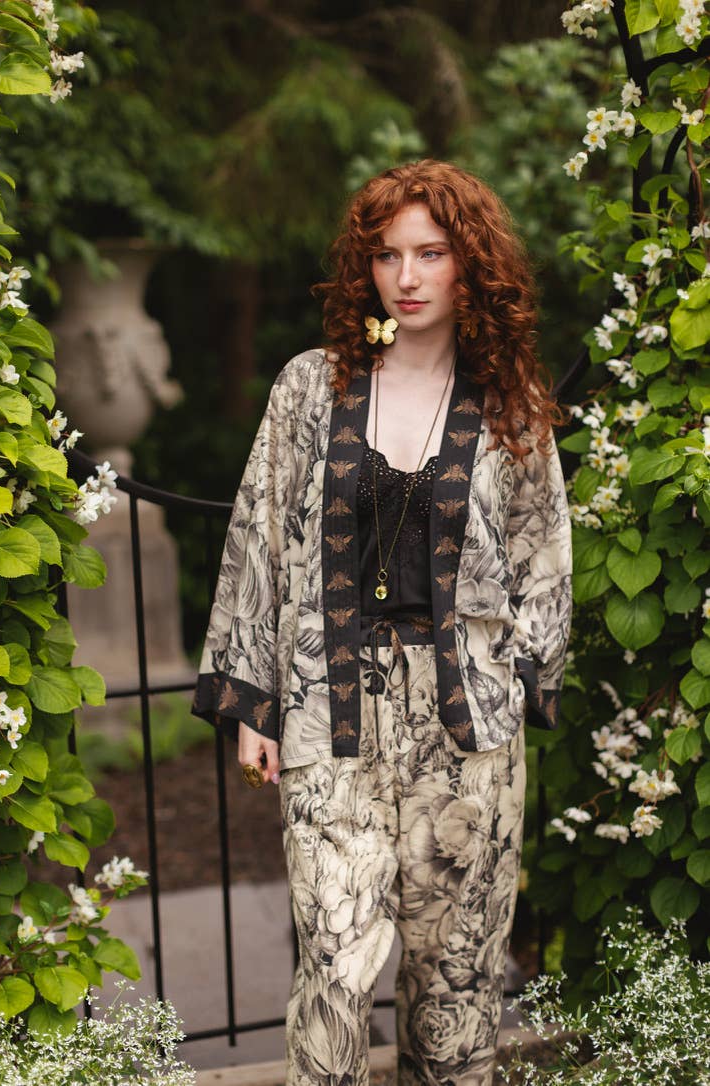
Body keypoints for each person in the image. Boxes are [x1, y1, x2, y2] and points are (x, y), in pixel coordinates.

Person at [192, 159, 572, 1086]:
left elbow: (543, 552)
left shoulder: (511, 403)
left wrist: (518, 682)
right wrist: (251, 703)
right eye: (387, 255)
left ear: (470, 262)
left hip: (466, 727)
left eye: (430, 253)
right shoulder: (309, 387)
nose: (406, 276)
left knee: (457, 978)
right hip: (329, 709)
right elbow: (259, 535)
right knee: (334, 963)